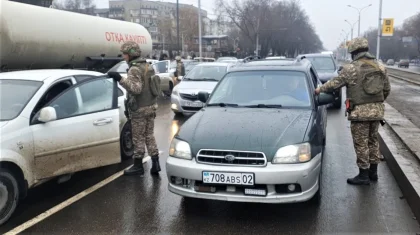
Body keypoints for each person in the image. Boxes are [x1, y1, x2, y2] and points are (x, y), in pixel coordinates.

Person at [315, 37, 391, 185]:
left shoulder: (351, 68)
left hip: (359, 113)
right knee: (373, 141)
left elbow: (334, 84)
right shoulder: (381, 67)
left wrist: (319, 89)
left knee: (361, 143)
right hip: (376, 112)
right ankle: (373, 173)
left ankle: (363, 176)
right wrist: (376, 104)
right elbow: (386, 89)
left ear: (354, 52)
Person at [107, 41, 161, 176]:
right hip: (151, 107)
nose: (124, 57)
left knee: (138, 138)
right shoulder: (147, 66)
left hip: (140, 109)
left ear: (131, 54)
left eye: (125, 54)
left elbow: (136, 89)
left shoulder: (134, 69)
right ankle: (156, 163)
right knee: (149, 136)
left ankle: (138, 166)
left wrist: (120, 78)